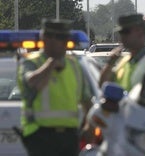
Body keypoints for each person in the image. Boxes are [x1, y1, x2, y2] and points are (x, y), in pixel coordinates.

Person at [17, 18, 92, 156]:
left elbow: (87, 101)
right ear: (44, 38)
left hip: (69, 136)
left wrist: (89, 126)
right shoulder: (31, 62)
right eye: (57, 37)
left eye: (64, 38)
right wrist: (51, 63)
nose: (63, 42)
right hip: (40, 134)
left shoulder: (74, 65)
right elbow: (33, 83)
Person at [99, 13, 145, 92]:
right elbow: (103, 85)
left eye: (126, 32)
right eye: (120, 33)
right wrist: (110, 63)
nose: (122, 37)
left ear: (140, 32)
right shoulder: (124, 61)